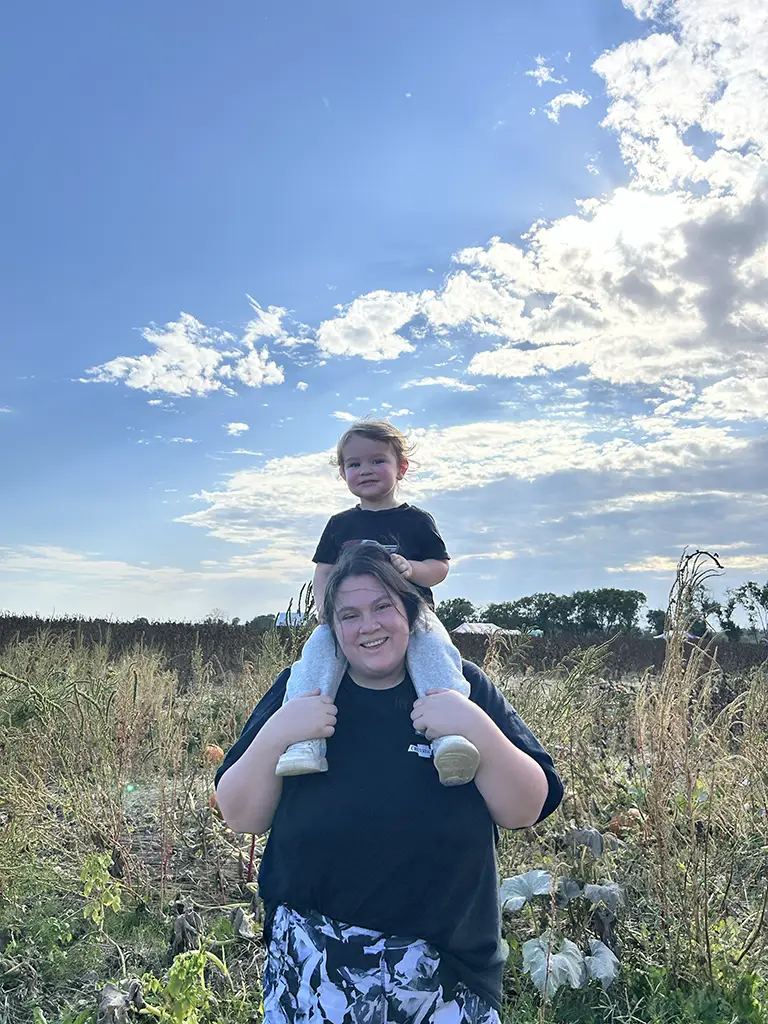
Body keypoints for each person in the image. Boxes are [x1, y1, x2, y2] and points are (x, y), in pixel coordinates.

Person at [215, 544, 564, 1023]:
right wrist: (280, 730)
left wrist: (474, 724)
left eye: (383, 606)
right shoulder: (302, 689)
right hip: (316, 965)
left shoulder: (462, 686)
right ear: (332, 629)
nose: (369, 626)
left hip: (447, 971)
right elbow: (240, 814)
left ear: (412, 612)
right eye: (350, 614)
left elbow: (524, 809)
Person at [275, 418, 480, 787]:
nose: (365, 470)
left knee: (436, 652)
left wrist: (412, 569)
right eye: (354, 464)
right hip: (350, 617)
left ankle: (451, 737)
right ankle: (304, 742)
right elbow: (324, 570)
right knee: (317, 654)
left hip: (414, 615)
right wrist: (325, 610)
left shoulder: (416, 520)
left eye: (377, 461)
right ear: (343, 474)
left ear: (401, 467)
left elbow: (440, 568)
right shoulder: (339, 525)